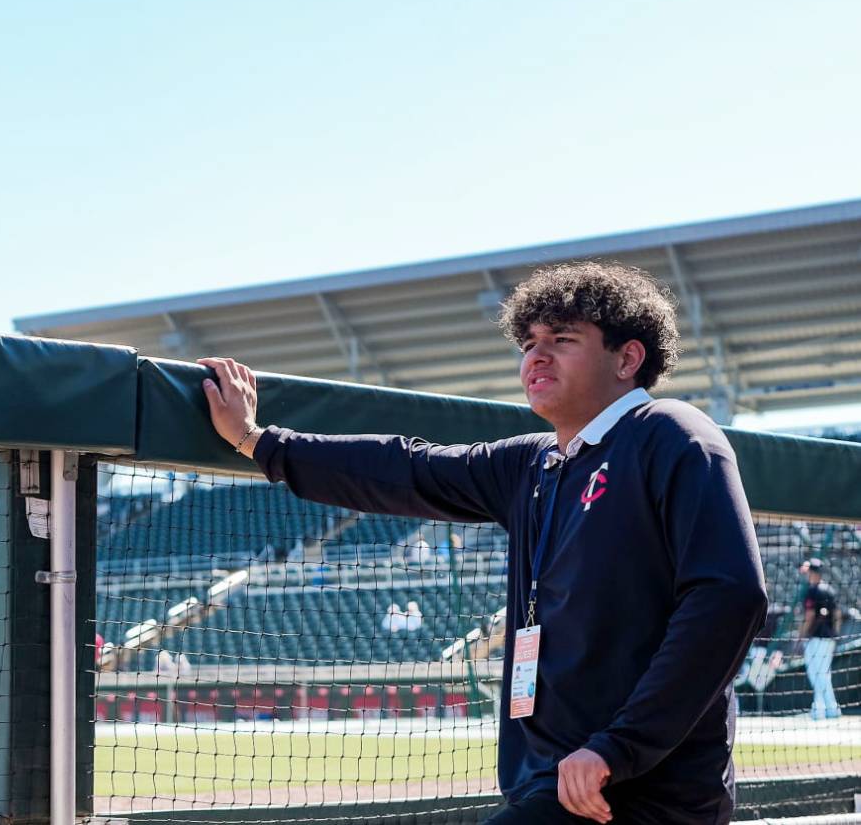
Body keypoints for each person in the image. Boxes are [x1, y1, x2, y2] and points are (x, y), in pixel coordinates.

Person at [199, 262, 767, 824]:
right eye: (529, 342)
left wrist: (618, 747)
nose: (536, 356)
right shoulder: (533, 463)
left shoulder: (672, 433)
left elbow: (728, 595)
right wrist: (258, 441)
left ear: (627, 358)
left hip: (641, 791)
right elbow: (408, 467)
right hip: (550, 781)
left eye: (562, 339)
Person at [799, 558, 841, 720]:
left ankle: (820, 708)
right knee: (824, 674)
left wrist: (801, 635)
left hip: (815, 639)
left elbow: (809, 616)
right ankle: (830, 708)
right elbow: (837, 615)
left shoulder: (812, 591)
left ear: (812, 572)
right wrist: (835, 635)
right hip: (829, 638)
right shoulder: (830, 590)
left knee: (816, 674)